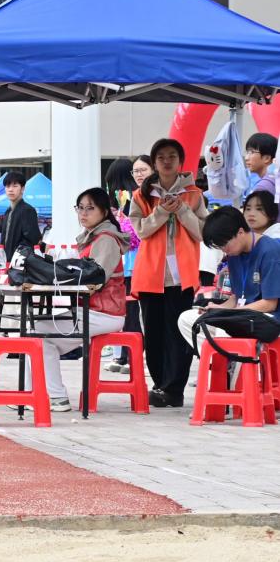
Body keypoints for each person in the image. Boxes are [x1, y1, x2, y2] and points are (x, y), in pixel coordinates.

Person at [29, 188, 130, 411]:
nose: (83, 213)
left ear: (104, 211)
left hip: (104, 313)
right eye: (80, 208)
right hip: (94, 310)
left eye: (90, 208)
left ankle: (49, 396)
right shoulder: (94, 237)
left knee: (39, 333)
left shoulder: (105, 239)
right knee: (39, 333)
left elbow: (95, 281)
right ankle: (34, 394)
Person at [129, 137, 207, 409]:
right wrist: (162, 211)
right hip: (151, 275)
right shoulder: (141, 195)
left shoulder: (194, 194)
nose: (166, 161)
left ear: (180, 161)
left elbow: (201, 232)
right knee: (154, 333)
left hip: (182, 276)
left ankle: (174, 389)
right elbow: (141, 231)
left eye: (172, 156)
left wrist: (183, 209)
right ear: (154, 162)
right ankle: (160, 384)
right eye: (161, 156)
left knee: (179, 334)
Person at [180, 206, 280, 354]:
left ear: (240, 232)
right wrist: (219, 308)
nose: (223, 250)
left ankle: (229, 365)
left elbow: (270, 304)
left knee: (224, 328)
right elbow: (236, 297)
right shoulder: (234, 255)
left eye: (223, 244)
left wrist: (231, 313)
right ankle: (220, 365)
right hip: (243, 315)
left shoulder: (269, 250)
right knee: (186, 319)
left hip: (269, 319)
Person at [103, 158, 143, 375]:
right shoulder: (123, 201)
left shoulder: (129, 201)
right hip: (129, 263)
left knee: (130, 311)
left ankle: (130, 355)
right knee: (127, 311)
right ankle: (122, 354)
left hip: (130, 263)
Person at [0, 172, 41, 262]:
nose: (10, 189)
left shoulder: (27, 210)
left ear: (22, 189)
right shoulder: (8, 212)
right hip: (5, 261)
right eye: (8, 186)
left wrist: (17, 257)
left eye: (15, 186)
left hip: (20, 264)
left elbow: (33, 239)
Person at [245, 132, 277, 196]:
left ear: (267, 158)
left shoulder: (263, 187)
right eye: (247, 152)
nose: (246, 158)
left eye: (252, 152)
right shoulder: (275, 179)